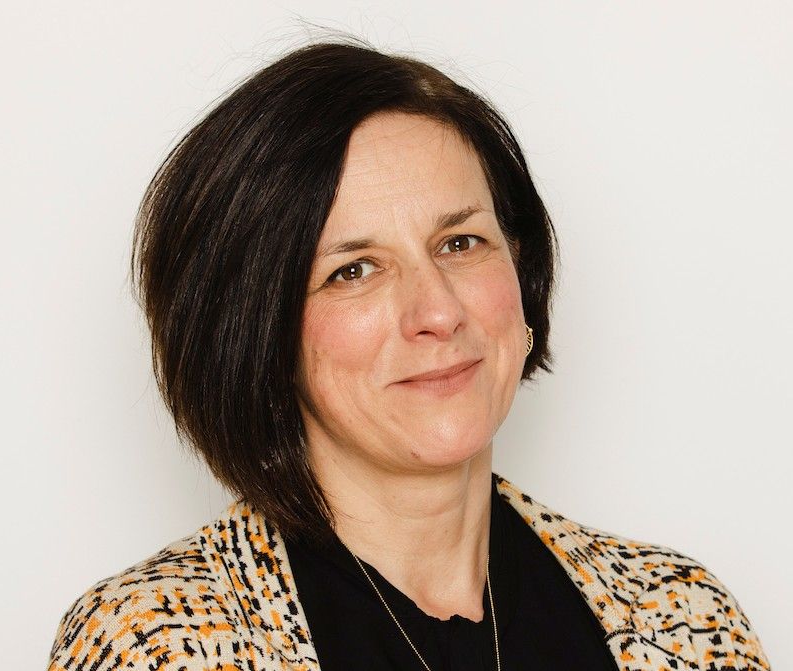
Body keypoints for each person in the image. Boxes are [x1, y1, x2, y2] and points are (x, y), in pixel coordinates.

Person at [47, 38, 771, 671]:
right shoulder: (155, 642)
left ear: (521, 270)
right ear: (258, 333)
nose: (438, 311)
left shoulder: (681, 618)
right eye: (353, 270)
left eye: (461, 242)